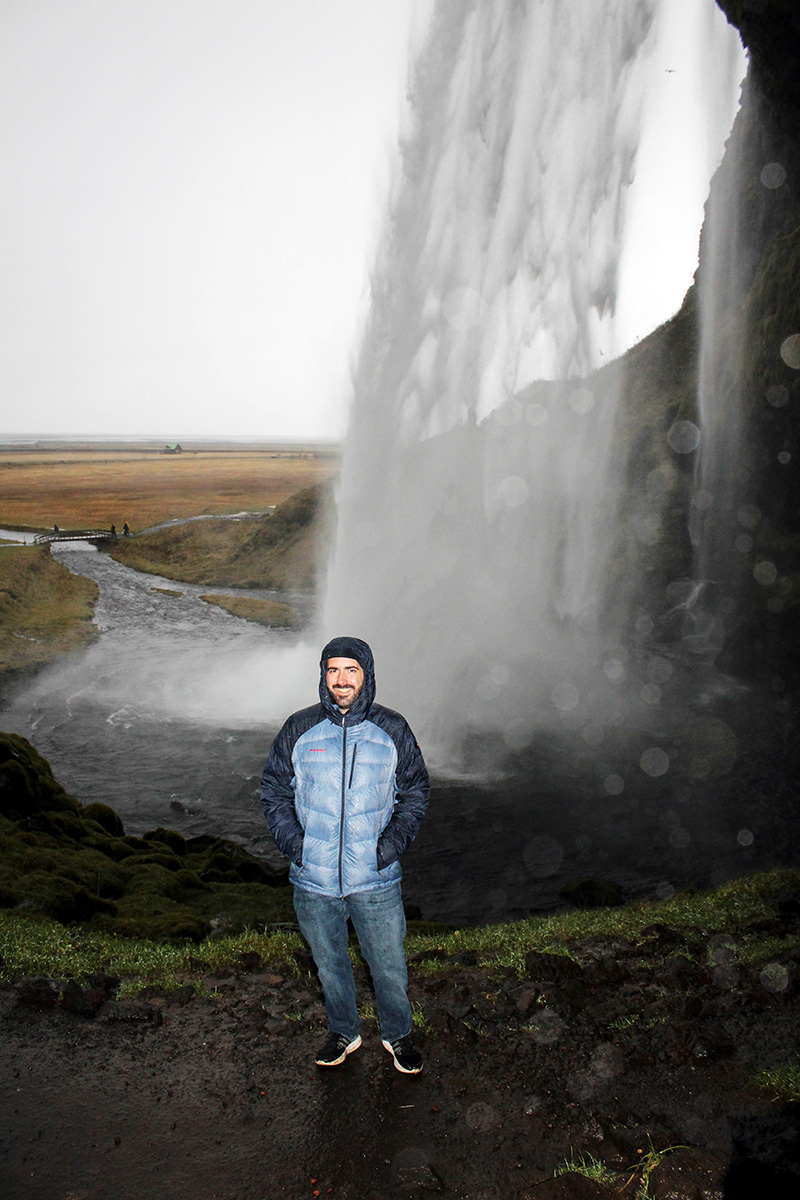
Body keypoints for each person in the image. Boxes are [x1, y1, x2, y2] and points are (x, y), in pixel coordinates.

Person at [260, 636, 429, 1073]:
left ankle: (397, 1034)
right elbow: (274, 791)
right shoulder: (299, 729)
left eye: (350, 670)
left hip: (374, 880)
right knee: (330, 965)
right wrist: (296, 847)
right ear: (323, 675)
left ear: (366, 675)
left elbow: (415, 793)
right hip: (313, 879)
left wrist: (387, 848)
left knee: (388, 967)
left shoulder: (393, 729)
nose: (341, 680)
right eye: (333, 670)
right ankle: (344, 1031)